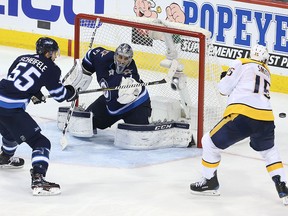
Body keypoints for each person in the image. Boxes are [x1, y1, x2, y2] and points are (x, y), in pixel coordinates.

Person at [190, 44, 288, 205]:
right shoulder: (267, 72)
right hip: (266, 119)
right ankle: (283, 188)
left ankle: (209, 182)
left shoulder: (241, 62)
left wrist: (224, 77)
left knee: (208, 142)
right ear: (265, 59)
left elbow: (223, 88)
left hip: (243, 115)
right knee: (270, 152)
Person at [0, 37, 78, 195]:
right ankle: (38, 179)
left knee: (10, 132)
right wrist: (71, 92)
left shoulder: (21, 58)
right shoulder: (52, 68)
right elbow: (59, 94)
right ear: (48, 53)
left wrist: (34, 92)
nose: (55, 56)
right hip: (11, 109)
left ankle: (5, 157)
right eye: (54, 53)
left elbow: (13, 80)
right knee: (41, 142)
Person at [80, 43, 151, 130]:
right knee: (85, 123)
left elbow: (126, 91)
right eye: (120, 57)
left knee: (139, 135)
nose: (122, 61)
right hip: (110, 104)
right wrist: (85, 72)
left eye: (126, 58)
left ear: (130, 60)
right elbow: (91, 54)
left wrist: (128, 91)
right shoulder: (103, 57)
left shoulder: (131, 73)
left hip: (134, 106)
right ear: (115, 55)